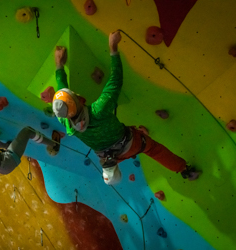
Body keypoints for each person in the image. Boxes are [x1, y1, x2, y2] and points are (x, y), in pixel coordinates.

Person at [52, 30, 200, 185]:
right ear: (80, 99)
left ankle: (184, 170)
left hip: (112, 155)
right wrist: (113, 47)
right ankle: (182, 167)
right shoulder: (99, 109)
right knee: (153, 149)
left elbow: (63, 99)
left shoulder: (65, 122)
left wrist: (59, 66)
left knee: (139, 148)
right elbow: (116, 80)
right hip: (129, 143)